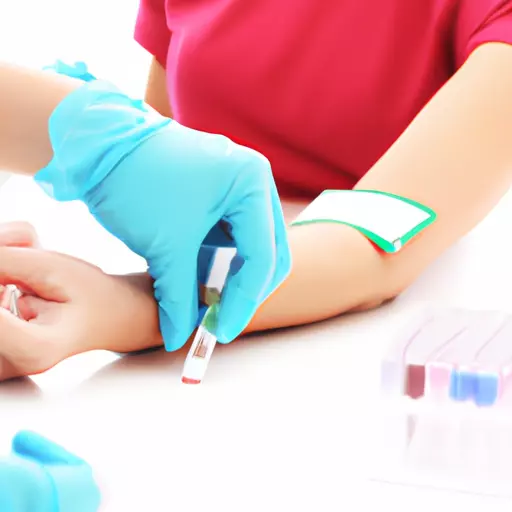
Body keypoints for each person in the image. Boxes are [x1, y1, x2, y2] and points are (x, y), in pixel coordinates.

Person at [1, 0, 512, 381]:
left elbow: (373, 234)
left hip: (336, 355)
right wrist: (66, 123)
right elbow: (163, 148)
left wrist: (125, 307)